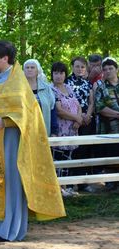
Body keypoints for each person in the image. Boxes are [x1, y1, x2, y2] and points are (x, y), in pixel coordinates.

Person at [0, 40, 65, 242]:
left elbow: (27, 116)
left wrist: (6, 122)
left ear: (5, 58)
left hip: (12, 140)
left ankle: (10, 228)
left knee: (10, 180)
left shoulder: (18, 80)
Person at [51, 61, 82, 197]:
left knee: (69, 159)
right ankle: (59, 188)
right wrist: (76, 118)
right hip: (60, 130)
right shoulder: (51, 89)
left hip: (73, 129)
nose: (58, 76)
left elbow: (78, 105)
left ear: (65, 74)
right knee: (59, 158)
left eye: (61, 73)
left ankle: (67, 187)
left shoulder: (68, 87)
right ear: (52, 74)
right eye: (56, 73)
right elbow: (59, 111)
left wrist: (79, 119)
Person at [65, 57, 95, 192]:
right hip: (71, 121)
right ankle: (70, 184)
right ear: (72, 67)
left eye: (82, 67)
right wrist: (78, 118)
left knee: (84, 151)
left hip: (86, 121)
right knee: (73, 151)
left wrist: (87, 115)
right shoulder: (66, 82)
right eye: (77, 66)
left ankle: (83, 183)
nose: (80, 69)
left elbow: (91, 102)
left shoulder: (88, 83)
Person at [23, 59, 58, 136]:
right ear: (23, 71)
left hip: (43, 130)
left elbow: (52, 110)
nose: (29, 69)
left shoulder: (46, 88)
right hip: (24, 131)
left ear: (37, 71)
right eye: (27, 67)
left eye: (32, 67)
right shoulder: (19, 88)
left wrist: (54, 131)